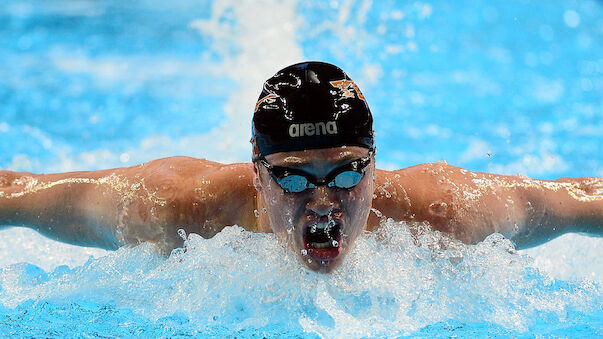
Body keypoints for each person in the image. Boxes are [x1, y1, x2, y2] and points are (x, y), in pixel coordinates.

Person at [0, 61, 601, 273]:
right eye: (291, 175)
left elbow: (578, 198)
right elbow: (18, 193)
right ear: (256, 171)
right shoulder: (174, 209)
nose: (322, 202)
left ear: (375, 165)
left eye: (344, 173)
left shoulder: (444, 212)